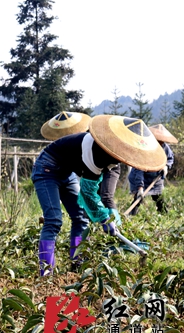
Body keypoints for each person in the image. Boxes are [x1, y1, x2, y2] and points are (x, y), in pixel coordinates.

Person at [33, 115, 166, 276]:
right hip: (47, 168)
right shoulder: (97, 152)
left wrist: (105, 215)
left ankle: (77, 264)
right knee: (54, 219)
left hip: (67, 173)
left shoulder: (112, 156)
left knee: (81, 218)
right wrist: (104, 218)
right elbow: (88, 192)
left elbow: (95, 189)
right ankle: (46, 273)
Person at [128, 124, 177, 215]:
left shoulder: (165, 147)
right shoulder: (145, 148)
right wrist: (140, 188)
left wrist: (166, 166)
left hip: (156, 177)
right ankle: (131, 216)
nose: (161, 143)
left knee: (158, 198)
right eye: (159, 141)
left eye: (162, 141)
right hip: (139, 176)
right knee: (138, 198)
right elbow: (139, 170)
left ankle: (164, 215)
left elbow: (170, 158)